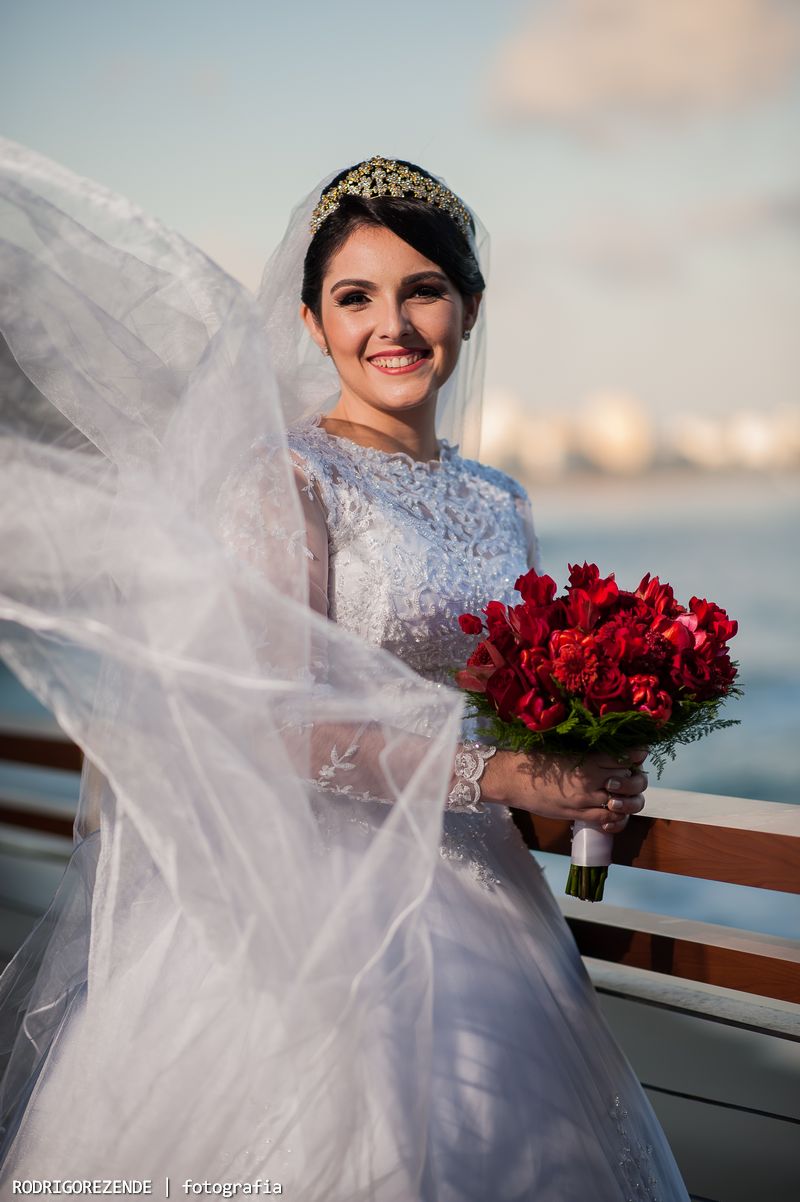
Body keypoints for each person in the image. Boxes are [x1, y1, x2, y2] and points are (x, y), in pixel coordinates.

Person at [0, 144, 689, 1200]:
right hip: (313, 900)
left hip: (484, 889)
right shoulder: (286, 478)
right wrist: (494, 776)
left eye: (423, 291)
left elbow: (507, 696)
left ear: (468, 305)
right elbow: (268, 722)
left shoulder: (501, 498)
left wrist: (588, 737)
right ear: (314, 323)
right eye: (354, 297)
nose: (393, 326)